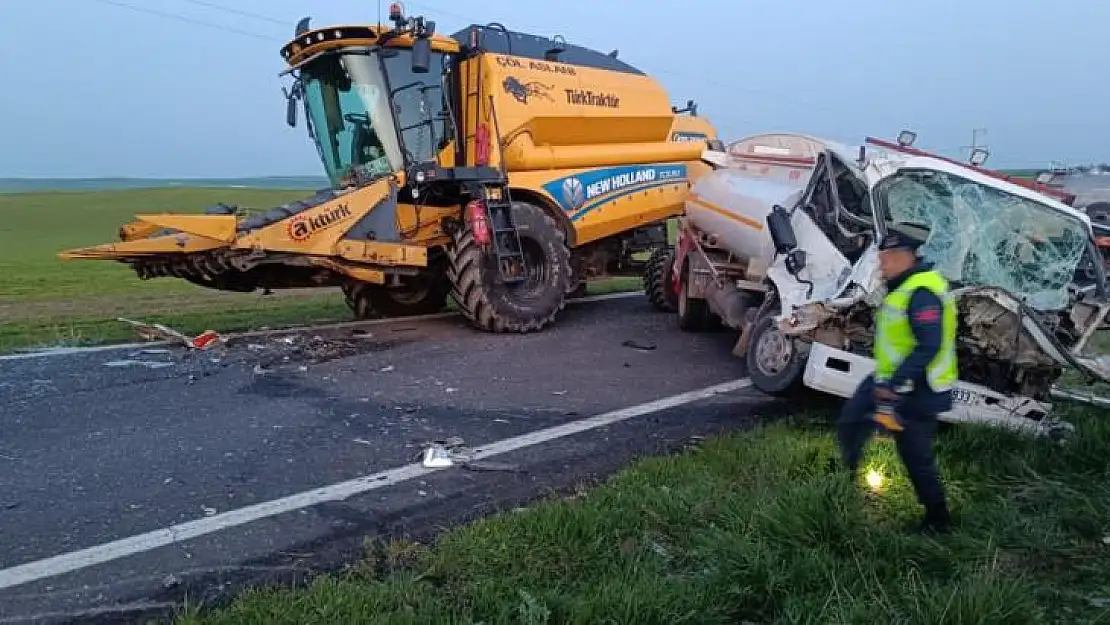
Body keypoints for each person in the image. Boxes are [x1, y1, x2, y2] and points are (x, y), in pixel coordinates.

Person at [837, 222, 957, 534]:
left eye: (887, 257)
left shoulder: (922, 292)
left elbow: (928, 345)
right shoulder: (904, 287)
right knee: (851, 421)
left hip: (919, 388)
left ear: (906, 257)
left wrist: (895, 385)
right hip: (890, 379)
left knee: (915, 457)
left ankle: (938, 519)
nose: (881, 264)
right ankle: (843, 478)